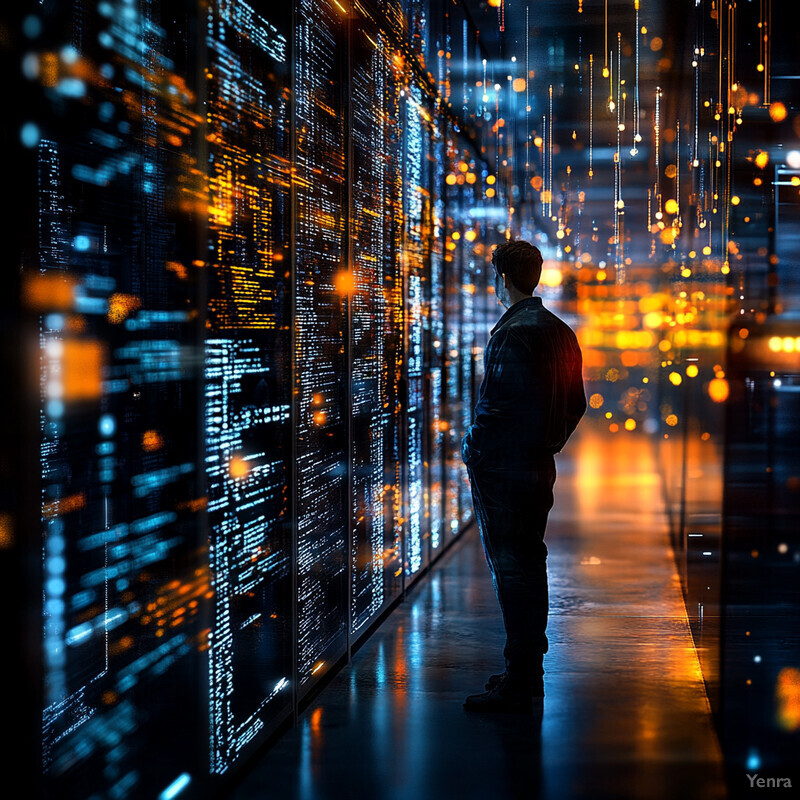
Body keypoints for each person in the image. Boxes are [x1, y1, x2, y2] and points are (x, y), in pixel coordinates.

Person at [461, 239, 586, 713]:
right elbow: (576, 405)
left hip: (505, 472)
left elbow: (495, 408)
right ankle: (524, 671)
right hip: (535, 468)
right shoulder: (558, 331)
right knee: (529, 565)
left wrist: (475, 450)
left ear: (504, 278)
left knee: (514, 573)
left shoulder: (514, 333)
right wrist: (548, 443)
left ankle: (522, 679)